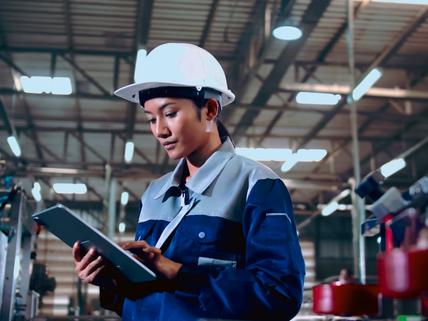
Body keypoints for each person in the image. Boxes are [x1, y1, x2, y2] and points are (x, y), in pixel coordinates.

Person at [72, 43, 305, 321]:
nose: (159, 130)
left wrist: (177, 272)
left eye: (170, 114)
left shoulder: (257, 185)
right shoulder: (155, 194)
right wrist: (111, 282)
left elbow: (280, 296)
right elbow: (145, 297)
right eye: (150, 119)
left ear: (209, 110)